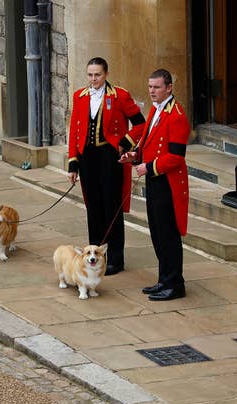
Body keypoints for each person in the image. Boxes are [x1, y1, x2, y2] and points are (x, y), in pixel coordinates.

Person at [67, 57, 146, 276]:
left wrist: (125, 143)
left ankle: (116, 259)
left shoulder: (119, 96)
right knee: (93, 207)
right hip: (88, 158)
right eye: (90, 75)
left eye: (98, 75)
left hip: (110, 158)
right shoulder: (79, 96)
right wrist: (73, 163)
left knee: (112, 208)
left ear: (106, 74)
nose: (93, 79)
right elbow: (74, 130)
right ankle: (95, 256)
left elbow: (140, 123)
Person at [119, 69, 190, 301]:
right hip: (155, 181)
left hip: (168, 183)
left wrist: (148, 167)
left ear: (169, 88)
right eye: (150, 87)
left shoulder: (176, 115)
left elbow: (176, 156)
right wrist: (134, 156)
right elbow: (148, 143)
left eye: (157, 87)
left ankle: (175, 284)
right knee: (157, 233)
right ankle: (164, 279)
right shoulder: (155, 110)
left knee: (168, 234)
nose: (152, 91)